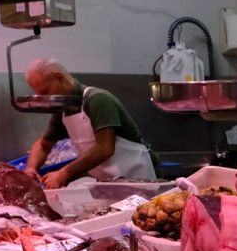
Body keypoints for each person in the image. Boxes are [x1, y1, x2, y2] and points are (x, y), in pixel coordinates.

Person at [23, 59, 157, 187]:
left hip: (139, 179)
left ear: (59, 77)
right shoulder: (62, 109)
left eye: (45, 91)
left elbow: (105, 148)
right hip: (108, 184)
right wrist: (31, 169)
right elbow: (42, 145)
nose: (46, 99)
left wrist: (63, 173)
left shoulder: (97, 99)